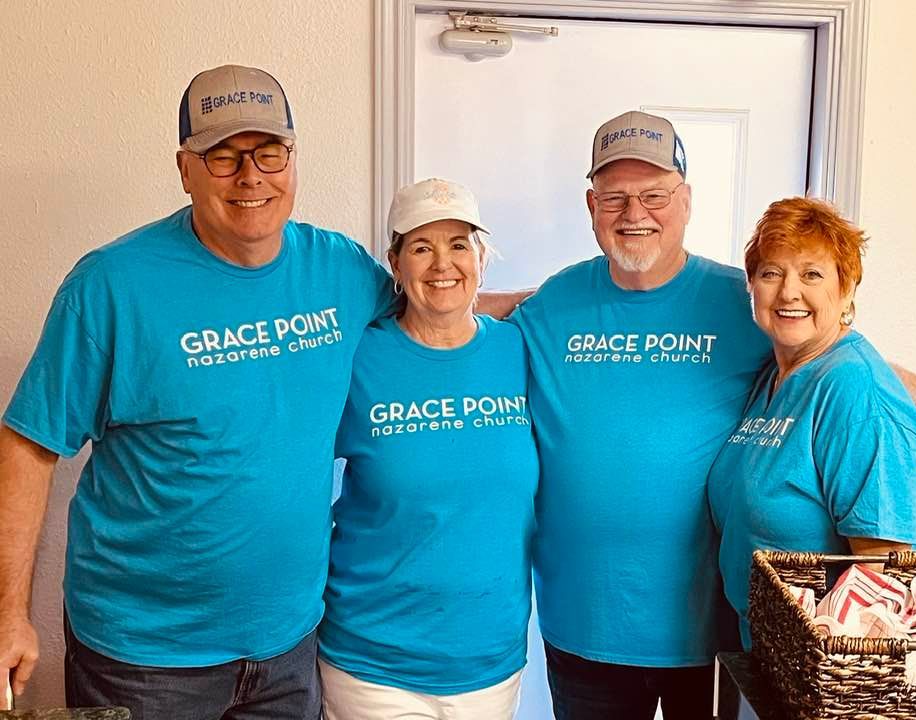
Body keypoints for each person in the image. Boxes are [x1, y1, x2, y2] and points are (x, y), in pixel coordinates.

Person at [509, 110, 916, 719]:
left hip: (722, 637)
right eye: (614, 196)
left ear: (686, 200)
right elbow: (470, 323)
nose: (634, 212)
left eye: (654, 194)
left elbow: (850, 363)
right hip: (589, 626)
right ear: (592, 205)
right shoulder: (558, 302)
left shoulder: (738, 303)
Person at [0, 64, 397, 719]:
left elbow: (436, 316)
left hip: (290, 642)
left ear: (293, 160)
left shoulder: (340, 269)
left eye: (269, 153)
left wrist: (547, 314)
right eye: (223, 156)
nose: (251, 177)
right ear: (185, 169)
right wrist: (8, 614)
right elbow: (29, 445)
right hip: (144, 662)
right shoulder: (112, 286)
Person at [317, 178, 539, 720]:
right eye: (421, 247)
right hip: (373, 662)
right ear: (395, 264)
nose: (443, 264)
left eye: (459, 244)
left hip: (489, 660)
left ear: (481, 258)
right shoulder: (357, 356)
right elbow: (293, 464)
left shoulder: (519, 350)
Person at [707, 197, 916, 647]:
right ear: (751, 286)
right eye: (771, 273)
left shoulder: (855, 389)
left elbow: (881, 577)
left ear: (847, 289)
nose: (789, 292)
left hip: (826, 666)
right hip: (766, 649)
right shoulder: (777, 373)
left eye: (811, 274)